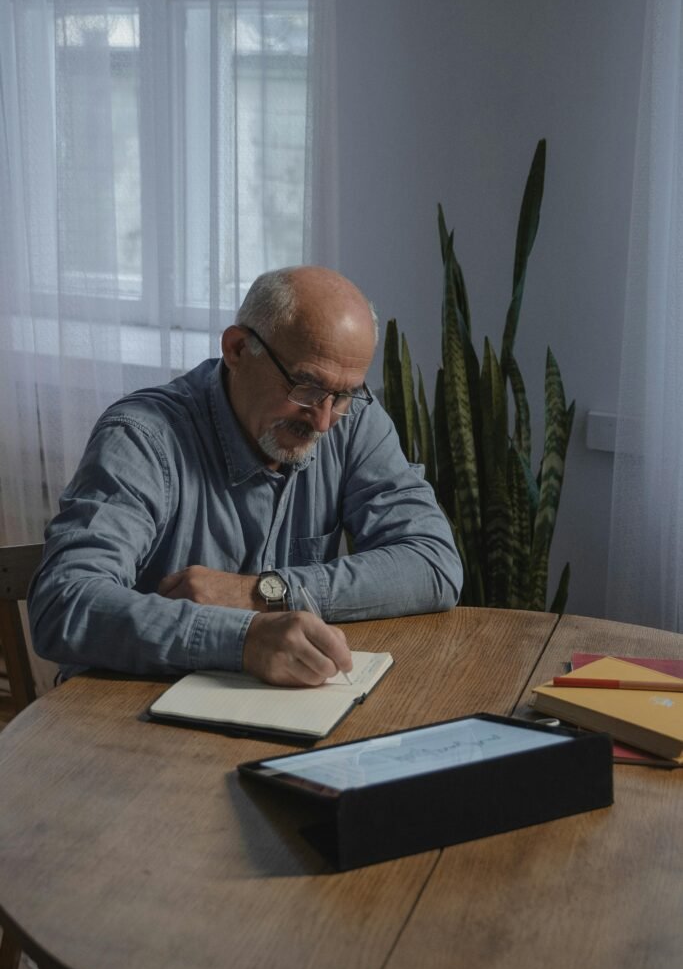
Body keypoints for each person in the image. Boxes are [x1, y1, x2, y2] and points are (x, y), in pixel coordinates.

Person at [28, 266, 462, 686]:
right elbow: (64, 602)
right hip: (121, 712)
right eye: (305, 387)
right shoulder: (142, 437)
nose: (325, 420)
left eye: (344, 395)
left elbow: (433, 563)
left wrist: (262, 593)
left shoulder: (355, 424)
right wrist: (242, 640)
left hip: (282, 706)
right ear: (236, 349)